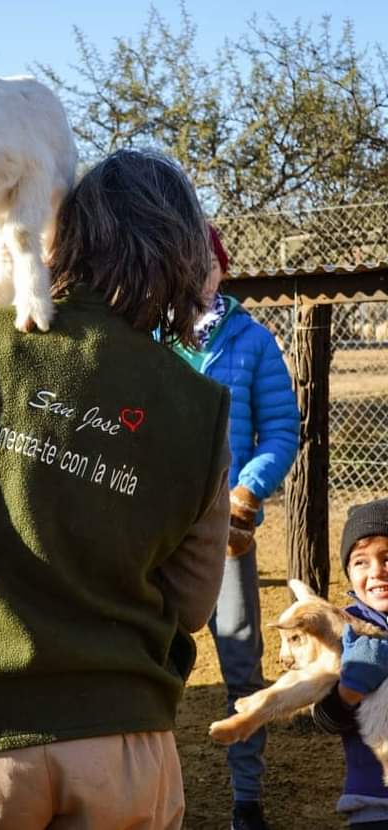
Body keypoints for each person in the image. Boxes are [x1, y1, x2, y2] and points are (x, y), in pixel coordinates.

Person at [0, 148, 232, 830]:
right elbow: (196, 604)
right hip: (121, 739)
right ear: (183, 255)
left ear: (66, 232)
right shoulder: (199, 406)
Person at [170, 225, 300, 830]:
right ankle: (149, 793)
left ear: (221, 270)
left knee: (242, 664)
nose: (199, 273)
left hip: (226, 534)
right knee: (148, 662)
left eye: (208, 263)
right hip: (154, 533)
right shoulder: (150, 337)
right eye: (186, 262)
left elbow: (280, 430)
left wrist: (246, 491)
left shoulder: (253, 341)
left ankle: (247, 800)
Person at [313, 499, 388, 829]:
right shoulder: (342, 633)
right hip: (373, 804)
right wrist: (348, 691)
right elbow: (324, 719)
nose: (376, 572)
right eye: (361, 562)